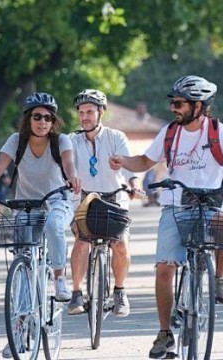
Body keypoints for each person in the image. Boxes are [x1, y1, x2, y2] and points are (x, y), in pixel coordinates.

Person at [109, 75, 223, 359]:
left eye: (179, 103)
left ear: (198, 106)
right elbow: (145, 161)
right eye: (173, 103)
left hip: (211, 202)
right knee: (164, 268)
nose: (173, 108)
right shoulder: (170, 132)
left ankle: (220, 279)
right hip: (175, 205)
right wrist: (124, 161)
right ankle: (165, 334)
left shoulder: (218, 131)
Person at [0, 92, 81, 359]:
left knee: (54, 225)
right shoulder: (17, 141)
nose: (42, 122)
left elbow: (69, 163)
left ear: (53, 121)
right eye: (37, 116)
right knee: (23, 266)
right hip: (26, 205)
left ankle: (60, 278)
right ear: (28, 119)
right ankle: (18, 332)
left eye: (48, 117)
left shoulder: (61, 141)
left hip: (57, 200)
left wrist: (72, 178)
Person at [67, 89, 143, 317]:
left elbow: (130, 167)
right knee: (81, 242)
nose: (84, 117)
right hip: (85, 199)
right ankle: (76, 293)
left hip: (114, 198)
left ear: (101, 112)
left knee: (120, 244)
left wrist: (135, 185)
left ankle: (120, 291)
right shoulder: (71, 140)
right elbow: (65, 168)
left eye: (89, 112)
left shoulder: (116, 137)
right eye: (81, 112)